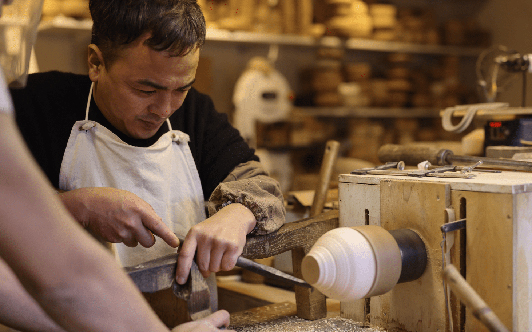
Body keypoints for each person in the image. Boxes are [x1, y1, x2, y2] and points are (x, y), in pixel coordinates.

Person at [11, 0, 285, 321]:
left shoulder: (195, 114)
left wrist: (238, 214)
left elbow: (262, 187)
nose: (165, 108)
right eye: (145, 89)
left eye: (181, 88)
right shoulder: (35, 107)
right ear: (96, 63)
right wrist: (75, 207)